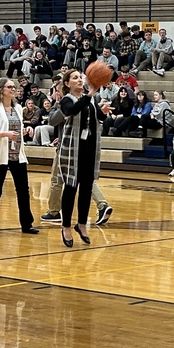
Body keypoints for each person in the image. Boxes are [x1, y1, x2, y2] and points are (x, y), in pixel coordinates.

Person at [56, 69, 110, 247]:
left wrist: (102, 112)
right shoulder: (66, 100)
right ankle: (65, 227)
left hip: (89, 148)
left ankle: (81, 224)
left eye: (80, 77)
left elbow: (93, 119)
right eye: (75, 78)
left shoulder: (91, 100)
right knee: (70, 189)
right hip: (72, 150)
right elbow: (72, 111)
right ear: (67, 83)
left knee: (86, 189)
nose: (79, 80)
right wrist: (90, 94)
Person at [0, 77, 38, 235]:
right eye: (10, 87)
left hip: (17, 154)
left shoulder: (18, 108)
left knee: (23, 190)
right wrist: (4, 134)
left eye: (14, 87)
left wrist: (25, 131)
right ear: (1, 90)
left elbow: (18, 129)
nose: (13, 89)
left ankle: (27, 224)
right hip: (0, 155)